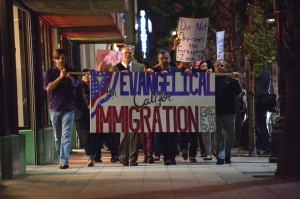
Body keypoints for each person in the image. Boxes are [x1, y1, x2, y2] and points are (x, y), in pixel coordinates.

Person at [43, 49, 80, 169]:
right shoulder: (50, 72)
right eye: (58, 58)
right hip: (55, 108)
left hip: (69, 108)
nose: (61, 60)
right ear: (54, 59)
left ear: (66, 58)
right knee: (57, 136)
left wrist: (70, 78)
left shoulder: (72, 70)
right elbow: (48, 88)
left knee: (66, 135)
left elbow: (77, 85)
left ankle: (64, 160)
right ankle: (61, 158)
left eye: (63, 58)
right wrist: (60, 77)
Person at [109, 45, 144, 166]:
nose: (127, 55)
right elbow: (110, 86)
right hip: (122, 103)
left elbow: (143, 83)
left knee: (135, 131)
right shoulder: (115, 69)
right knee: (124, 131)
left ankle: (133, 158)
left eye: (129, 53)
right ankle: (124, 156)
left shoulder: (139, 67)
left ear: (133, 54)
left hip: (136, 102)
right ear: (121, 55)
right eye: (125, 53)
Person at [214, 60, 245, 165]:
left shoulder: (230, 80)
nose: (219, 67)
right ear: (214, 67)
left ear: (225, 67)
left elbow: (239, 93)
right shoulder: (210, 80)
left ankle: (227, 154)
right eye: (217, 65)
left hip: (229, 112)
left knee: (230, 137)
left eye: (222, 65)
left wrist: (236, 80)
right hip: (216, 112)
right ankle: (220, 157)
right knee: (218, 136)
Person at [153, 49, 180, 165]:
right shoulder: (153, 72)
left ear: (170, 59)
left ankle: (171, 157)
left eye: (166, 58)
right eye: (162, 58)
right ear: (158, 60)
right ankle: (165, 155)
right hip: (159, 109)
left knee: (173, 134)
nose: (164, 60)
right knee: (162, 134)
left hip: (174, 108)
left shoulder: (177, 71)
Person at [74, 69, 96, 167]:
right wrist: (86, 106)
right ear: (81, 77)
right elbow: (75, 101)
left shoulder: (95, 87)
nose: (87, 76)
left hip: (94, 115)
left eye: (89, 75)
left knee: (94, 137)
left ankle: (94, 154)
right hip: (82, 114)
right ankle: (90, 156)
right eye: (85, 75)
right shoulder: (78, 88)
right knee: (85, 136)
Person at [254, 65, 274, 155]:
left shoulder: (260, 71)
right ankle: (262, 145)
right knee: (261, 124)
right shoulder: (266, 71)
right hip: (264, 99)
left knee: (261, 124)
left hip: (261, 100)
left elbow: (249, 75)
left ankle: (265, 146)